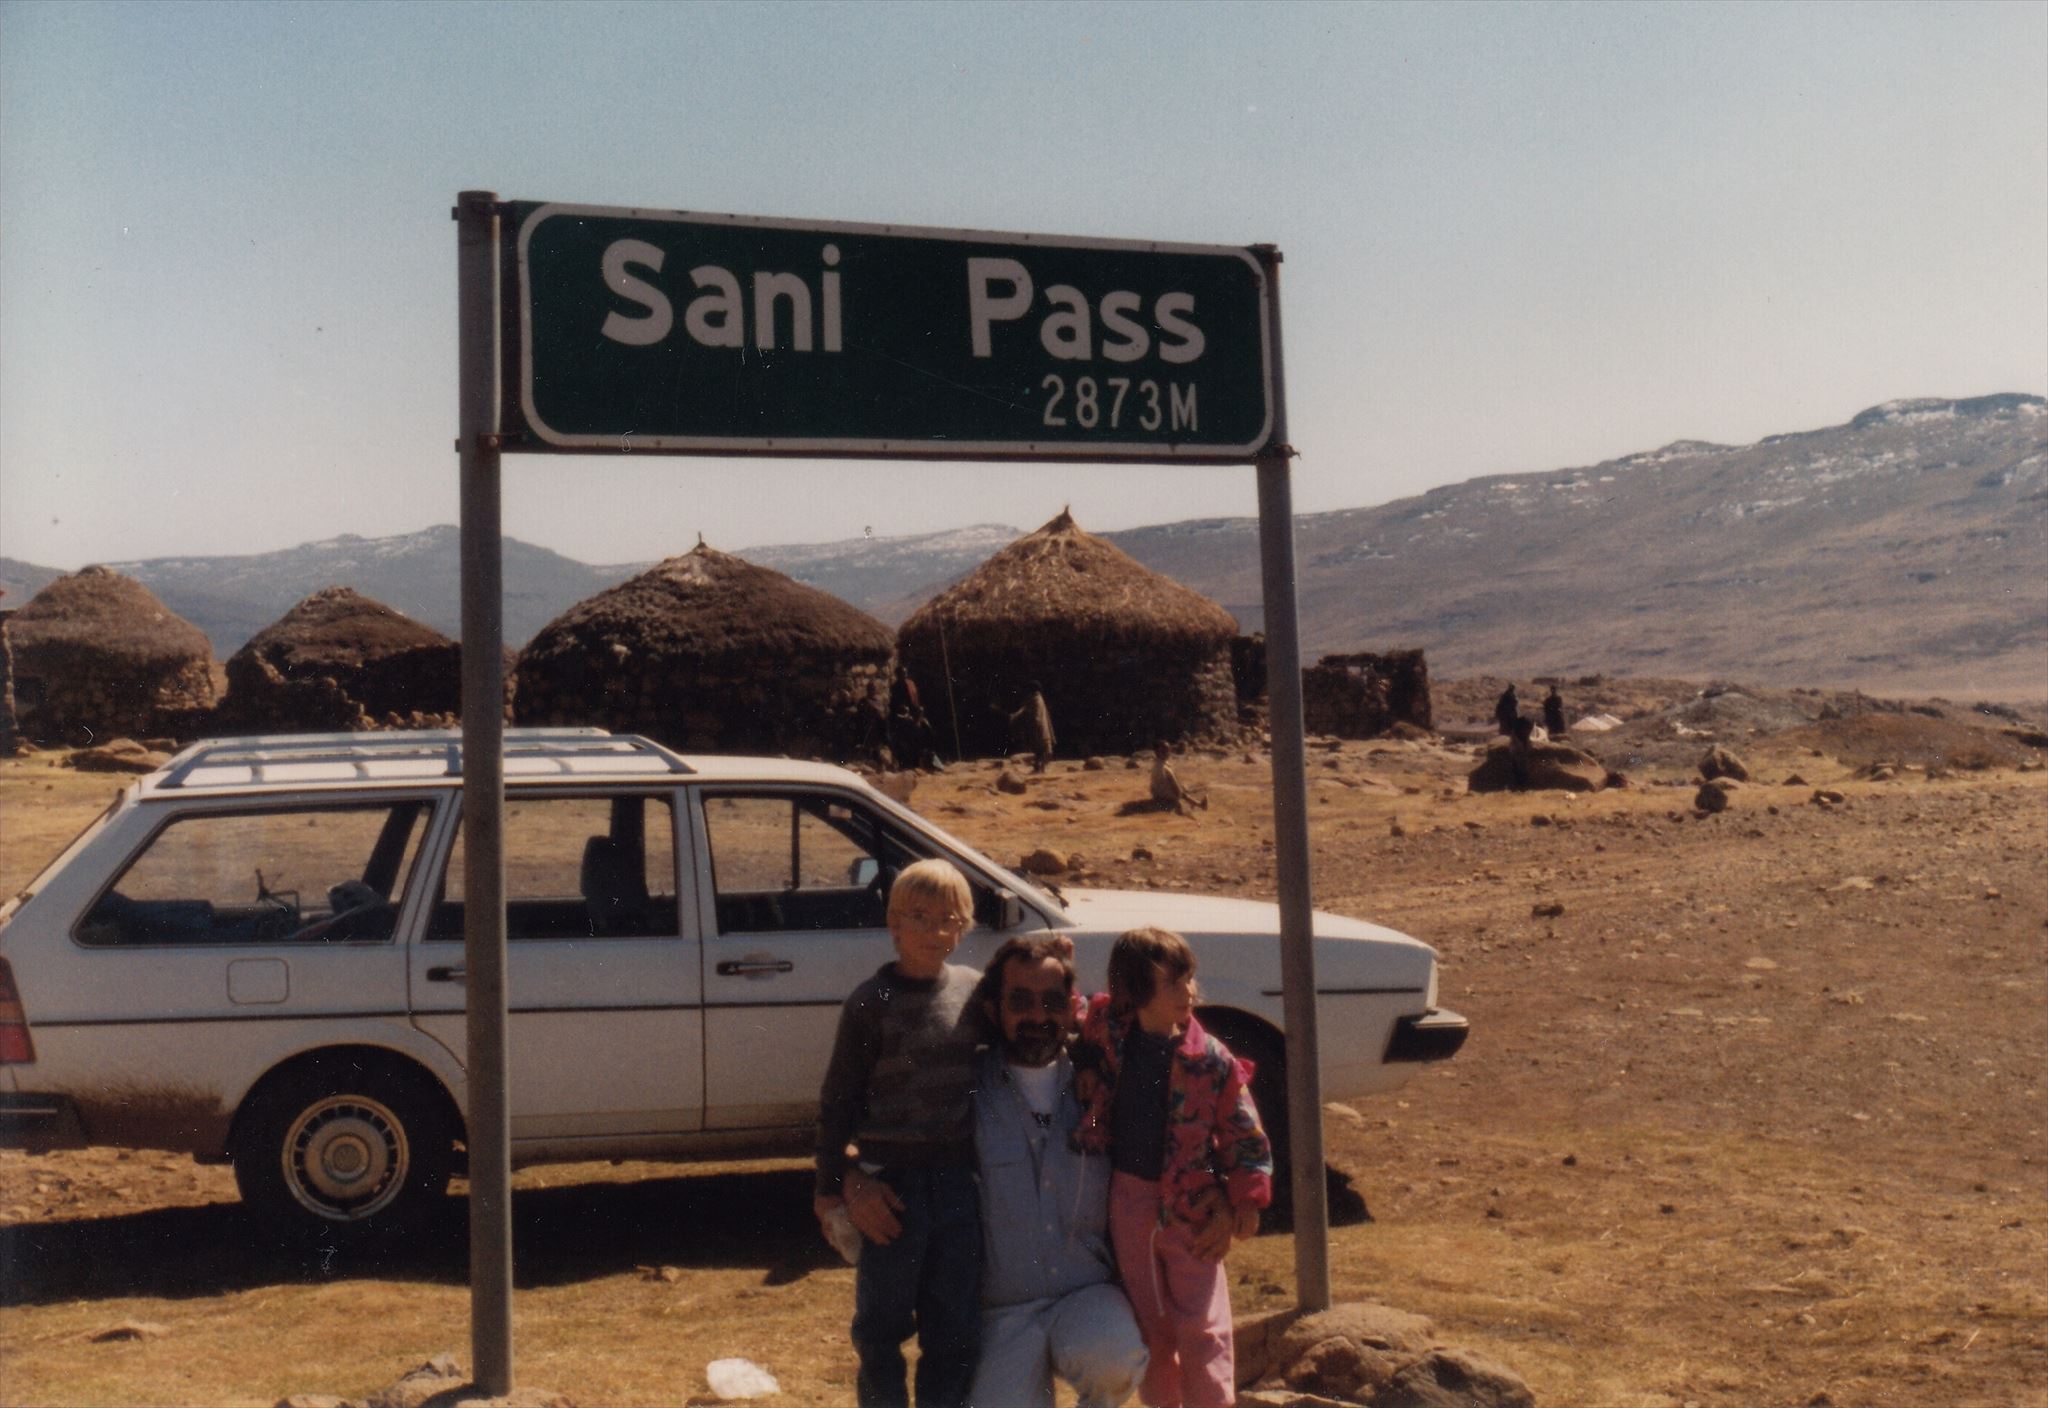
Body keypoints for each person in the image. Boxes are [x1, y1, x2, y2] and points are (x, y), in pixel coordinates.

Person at [848, 935, 1151, 1408]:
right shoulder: (960, 1087)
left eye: (1052, 1002)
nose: (1038, 1016)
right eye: (1020, 1001)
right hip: (1001, 1311)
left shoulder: (1102, 1087)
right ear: (993, 1009)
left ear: (1072, 1007)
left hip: (1087, 1294)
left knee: (1113, 1360)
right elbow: (871, 1126)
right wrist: (852, 1179)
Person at [1071, 928, 1272, 1408]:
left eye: (1190, 979)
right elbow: (1074, 1013)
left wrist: (1247, 1198)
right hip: (1129, 1205)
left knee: (1204, 1327)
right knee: (1150, 1327)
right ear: (1136, 990)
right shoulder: (1112, 1033)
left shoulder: (1211, 1059)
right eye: (1174, 983)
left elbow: (1243, 1128)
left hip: (1192, 1207)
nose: (1190, 992)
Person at [814, 859, 985, 1408]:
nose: (934, 931)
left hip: (959, 1186)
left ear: (964, 926)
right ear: (894, 923)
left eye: (948, 919)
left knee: (954, 1327)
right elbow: (839, 1098)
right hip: (890, 1188)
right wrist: (831, 1184)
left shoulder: (974, 992)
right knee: (881, 1327)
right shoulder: (871, 1002)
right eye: (919, 917)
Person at [1149, 742, 1207, 816]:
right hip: (1164, 797)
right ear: (1157, 752)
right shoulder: (1165, 768)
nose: (1167, 753)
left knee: (1182, 788)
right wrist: (1180, 795)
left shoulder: (1156, 764)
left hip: (1157, 794)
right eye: (1164, 751)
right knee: (1182, 792)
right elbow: (1177, 789)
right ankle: (1198, 804)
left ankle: (1194, 803)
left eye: (1168, 750)